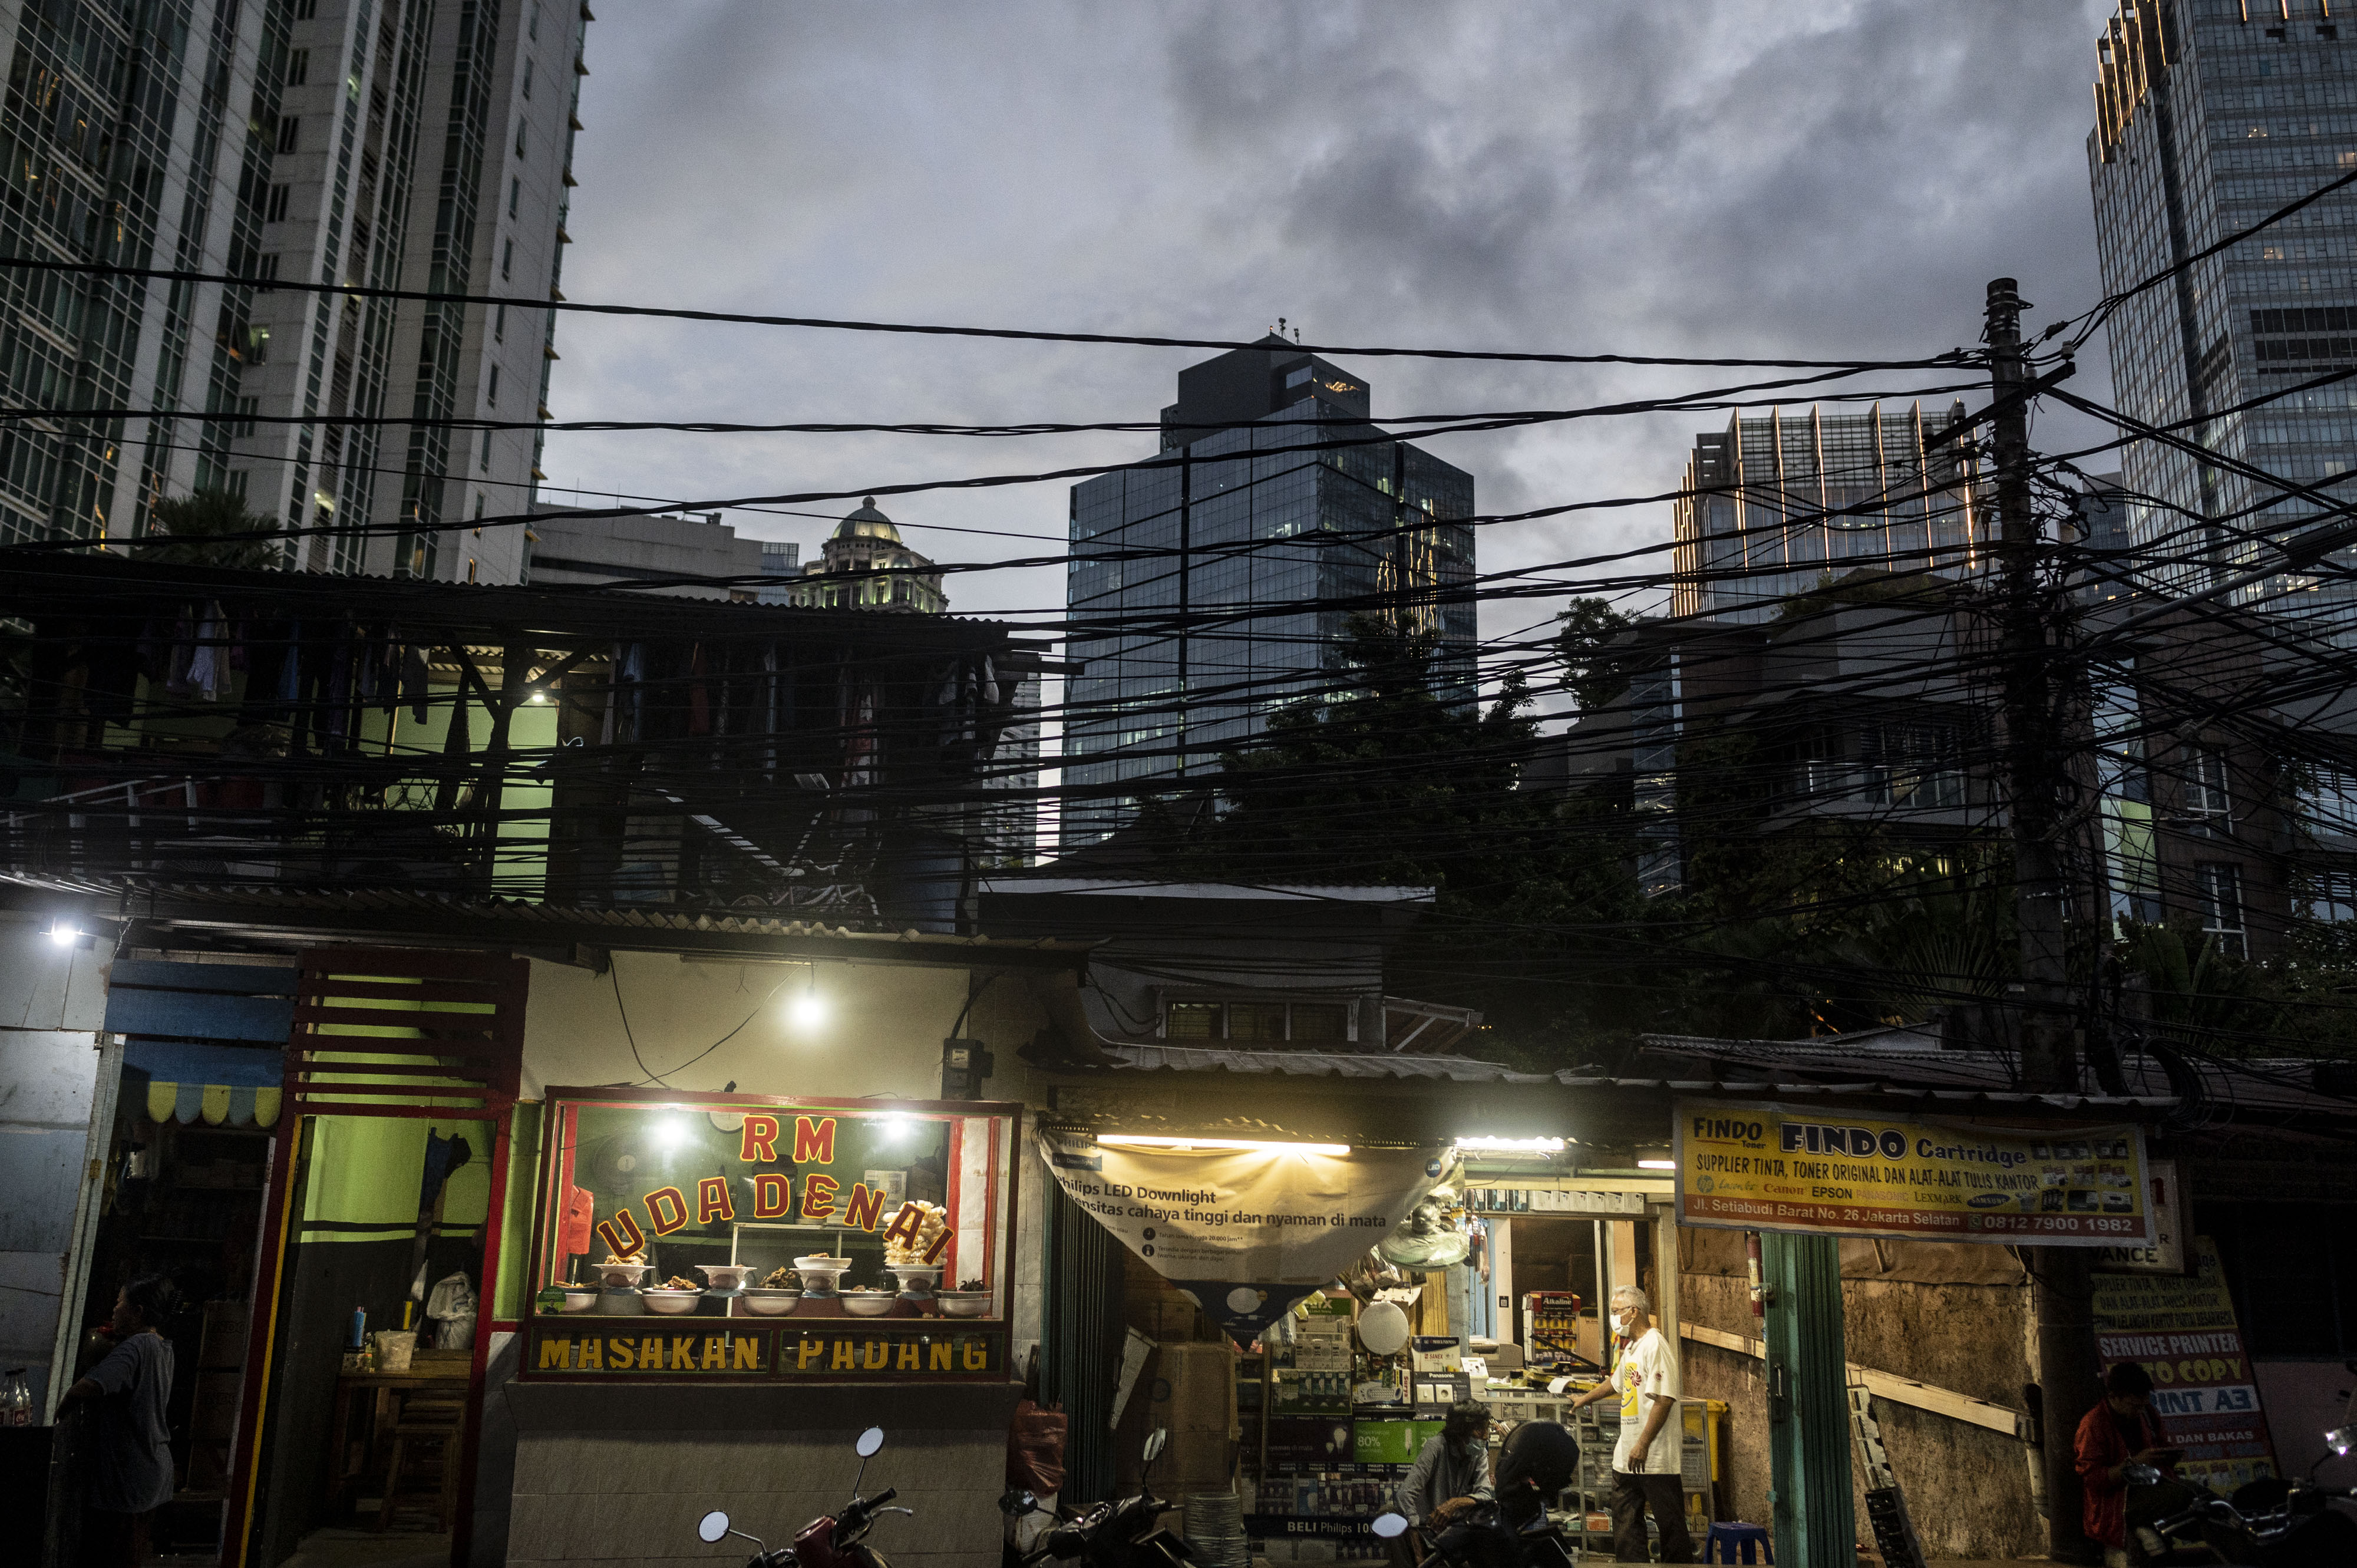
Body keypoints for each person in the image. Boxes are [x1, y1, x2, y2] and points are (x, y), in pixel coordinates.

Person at [58, 1275, 181, 1568]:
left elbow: (89, 1387)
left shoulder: (136, 1347)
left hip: (128, 1479)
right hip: (153, 1473)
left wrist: (59, 1416)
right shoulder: (161, 1347)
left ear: (137, 1312)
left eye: (119, 1303)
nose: (114, 1310)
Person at [1570, 1285, 1694, 1564]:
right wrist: (1584, 1398)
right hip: (1626, 1457)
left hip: (1654, 1456)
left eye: (1616, 1312)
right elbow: (1614, 1384)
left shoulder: (1655, 1345)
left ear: (1634, 1312)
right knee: (1626, 1524)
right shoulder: (1632, 1348)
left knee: (1670, 1526)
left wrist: (1643, 1444)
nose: (1614, 1318)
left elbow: (1665, 1399)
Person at [2073, 1361, 2187, 1567]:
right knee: (2182, 1496)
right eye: (2134, 1406)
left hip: (2151, 1486)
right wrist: (2134, 1464)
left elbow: (2161, 1442)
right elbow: (2093, 1479)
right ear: (2114, 1397)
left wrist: (2167, 1456)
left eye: (2143, 1405)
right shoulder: (2093, 1424)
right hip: (2116, 1500)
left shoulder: (2147, 1414)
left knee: (2197, 1495)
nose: (2139, 1411)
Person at [1397, 1399, 1494, 1553]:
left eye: (1485, 1429)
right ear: (1461, 1431)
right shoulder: (1436, 1446)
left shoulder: (1479, 1452)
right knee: (1387, 1512)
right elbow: (1405, 1494)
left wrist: (1455, 1503)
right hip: (1429, 1531)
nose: (1485, 1436)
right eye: (1479, 1430)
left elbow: (1486, 1494)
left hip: (1461, 1532)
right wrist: (1415, 1531)